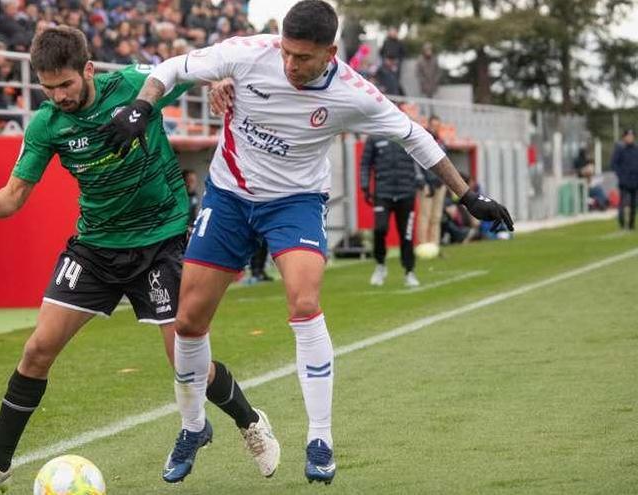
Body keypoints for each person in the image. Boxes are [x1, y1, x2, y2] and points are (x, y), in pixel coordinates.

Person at [101, 0, 513, 485]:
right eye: (286, 53)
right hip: (229, 196)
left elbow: (414, 136)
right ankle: (194, 427)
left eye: (303, 58)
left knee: (304, 301)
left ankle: (320, 439)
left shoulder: (354, 94)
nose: (290, 65)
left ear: (330, 52)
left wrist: (467, 195)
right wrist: (141, 106)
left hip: (294, 203)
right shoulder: (250, 53)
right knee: (189, 322)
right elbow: (170, 69)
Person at [0, 27, 279, 494]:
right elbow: (15, 193)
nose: (59, 96)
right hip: (95, 248)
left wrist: (222, 84)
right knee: (37, 350)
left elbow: (197, 66)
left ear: (88, 70)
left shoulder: (133, 85)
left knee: (186, 363)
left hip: (160, 243)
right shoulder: (47, 124)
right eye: (48, 88)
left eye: (65, 84)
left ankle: (250, 422)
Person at [361, 131, 423, 288]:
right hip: (383, 193)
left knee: (406, 235)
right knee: (380, 229)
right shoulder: (374, 137)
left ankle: (409, 271)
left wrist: (426, 180)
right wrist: (365, 185)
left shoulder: (407, 133)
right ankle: (380, 265)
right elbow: (365, 163)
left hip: (407, 193)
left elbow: (421, 157)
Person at [416, 115, 447, 246]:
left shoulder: (441, 142)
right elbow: (416, 162)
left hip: (440, 183)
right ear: (428, 125)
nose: (435, 128)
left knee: (436, 217)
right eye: (433, 125)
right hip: (427, 184)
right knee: (425, 216)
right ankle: (423, 244)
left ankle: (434, 245)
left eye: (437, 125)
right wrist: (422, 182)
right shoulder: (422, 139)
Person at [611, 128, 638, 230]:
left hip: (635, 181)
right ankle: (622, 223)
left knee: (634, 204)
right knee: (623, 203)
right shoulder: (620, 149)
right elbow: (614, 164)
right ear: (624, 137)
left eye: (632, 136)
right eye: (628, 136)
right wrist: (621, 176)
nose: (630, 138)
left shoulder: (636, 149)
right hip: (624, 181)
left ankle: (631, 224)